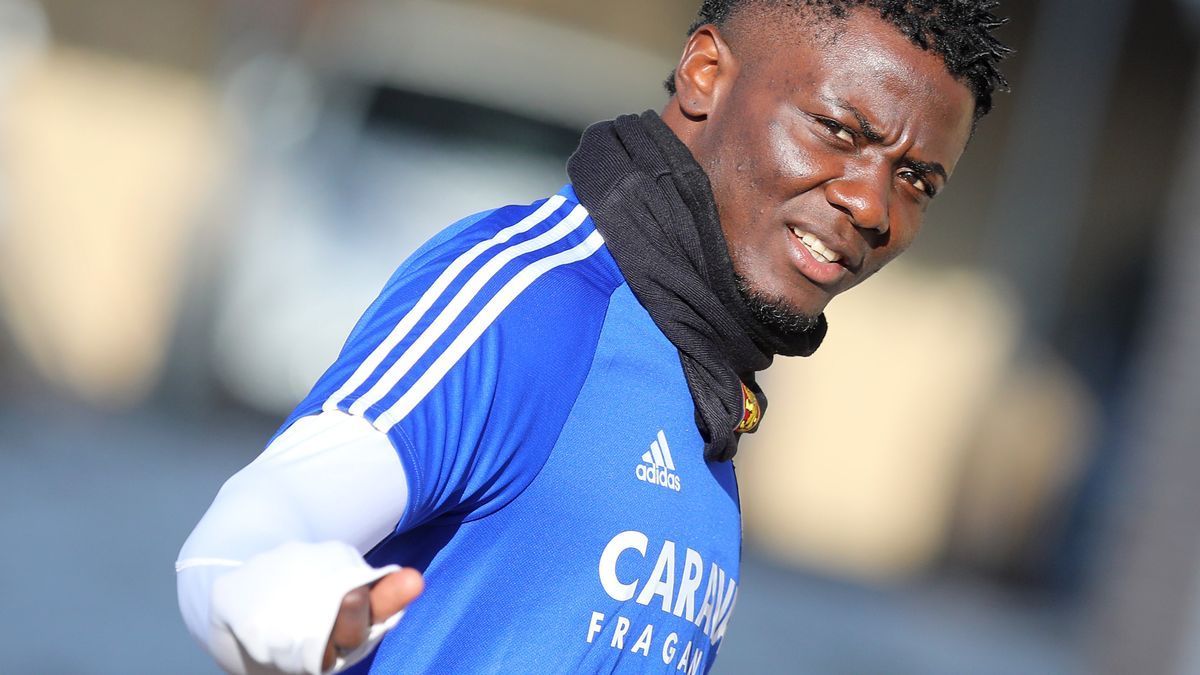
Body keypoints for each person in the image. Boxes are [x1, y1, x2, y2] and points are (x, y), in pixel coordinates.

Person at [177, 1, 1010, 673]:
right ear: (707, 74)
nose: (871, 204)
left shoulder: (704, 384)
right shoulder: (536, 302)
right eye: (838, 130)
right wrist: (304, 609)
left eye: (915, 179)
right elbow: (242, 539)